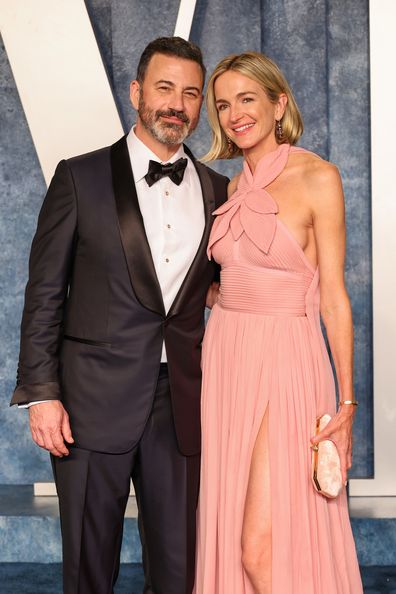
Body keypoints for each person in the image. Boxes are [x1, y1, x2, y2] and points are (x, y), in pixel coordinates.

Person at [11, 37, 228, 594]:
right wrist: (42, 393)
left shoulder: (219, 191)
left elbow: (229, 290)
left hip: (181, 405)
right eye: (163, 88)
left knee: (180, 569)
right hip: (87, 402)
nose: (176, 104)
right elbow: (43, 293)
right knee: (88, 566)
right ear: (136, 92)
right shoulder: (79, 177)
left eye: (189, 93)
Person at [194, 52, 363, 594]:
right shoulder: (229, 188)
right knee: (231, 525)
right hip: (227, 356)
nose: (235, 114)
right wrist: (221, 294)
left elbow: (333, 295)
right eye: (223, 104)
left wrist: (347, 404)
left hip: (287, 361)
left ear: (278, 103)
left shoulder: (318, 177)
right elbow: (234, 274)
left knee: (258, 547)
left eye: (248, 99)